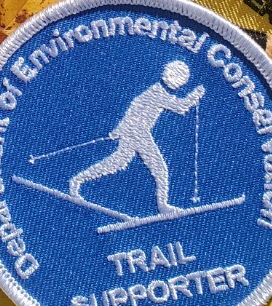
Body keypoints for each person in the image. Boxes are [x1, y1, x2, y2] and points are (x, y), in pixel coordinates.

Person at [68, 61, 203, 213]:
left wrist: (119, 130)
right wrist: (195, 96)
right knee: (159, 168)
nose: (180, 84)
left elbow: (133, 109)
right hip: (138, 133)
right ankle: (163, 206)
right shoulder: (157, 93)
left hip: (134, 131)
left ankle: (77, 180)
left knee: (117, 163)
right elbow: (180, 107)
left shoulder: (154, 91)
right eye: (181, 79)